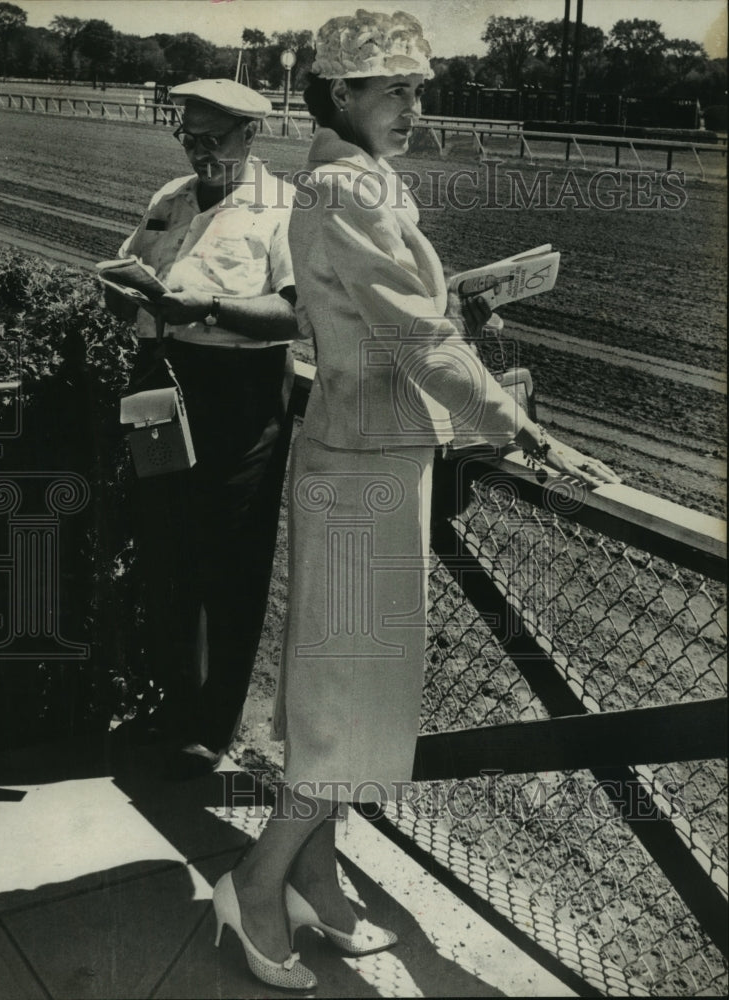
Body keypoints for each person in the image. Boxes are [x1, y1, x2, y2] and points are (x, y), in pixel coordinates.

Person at [211, 10, 621, 992]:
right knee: (349, 698)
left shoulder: (351, 181)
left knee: (353, 692)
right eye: (392, 88)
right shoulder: (348, 187)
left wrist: (453, 322)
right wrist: (529, 432)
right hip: (361, 472)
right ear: (340, 95)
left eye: (415, 86)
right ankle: (256, 883)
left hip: (371, 458)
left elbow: (393, 320)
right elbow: (424, 345)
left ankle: (315, 872)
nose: (413, 105)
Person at [104, 79, 300, 776]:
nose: (196, 150)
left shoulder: (281, 210)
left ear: (252, 136)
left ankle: (210, 729)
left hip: (239, 398)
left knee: (230, 561)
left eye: (211, 138)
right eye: (186, 136)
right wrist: (123, 289)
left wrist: (209, 308)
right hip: (162, 382)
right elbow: (139, 266)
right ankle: (172, 706)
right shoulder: (170, 198)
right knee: (166, 547)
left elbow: (295, 316)